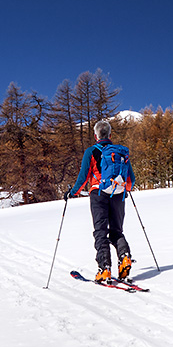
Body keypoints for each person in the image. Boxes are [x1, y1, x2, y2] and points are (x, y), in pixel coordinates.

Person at [64, 120, 135, 284]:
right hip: (118, 193)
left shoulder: (91, 152)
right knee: (117, 231)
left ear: (96, 136)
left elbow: (83, 177)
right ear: (110, 135)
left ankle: (104, 269)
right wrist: (125, 190)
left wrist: (72, 193)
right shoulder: (120, 152)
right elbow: (131, 179)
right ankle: (124, 257)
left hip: (98, 194)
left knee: (100, 231)